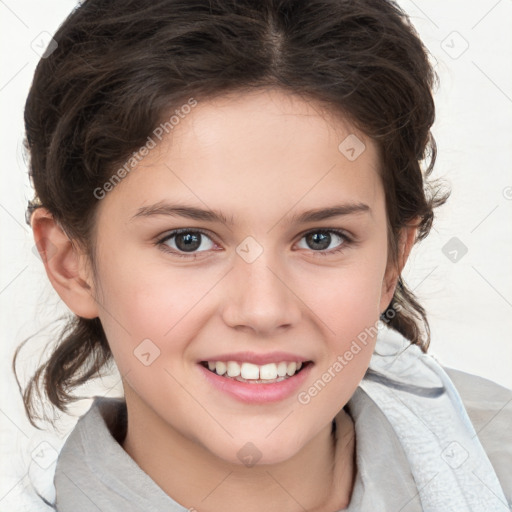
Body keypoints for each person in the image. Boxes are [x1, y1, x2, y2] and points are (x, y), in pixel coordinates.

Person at [13, 0, 512, 510]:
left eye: (321, 238)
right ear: (71, 264)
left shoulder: (498, 449)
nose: (263, 310)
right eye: (188, 240)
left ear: (393, 260)